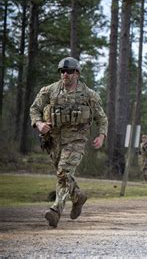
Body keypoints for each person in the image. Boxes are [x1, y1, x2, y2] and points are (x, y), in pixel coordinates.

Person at [30, 57, 108, 228]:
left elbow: (101, 118)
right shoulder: (49, 91)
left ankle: (56, 211)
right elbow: (34, 108)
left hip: (76, 139)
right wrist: (39, 123)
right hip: (53, 140)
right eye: (62, 71)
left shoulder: (89, 95)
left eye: (69, 71)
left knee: (63, 172)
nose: (65, 74)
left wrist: (101, 136)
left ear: (77, 73)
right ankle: (78, 196)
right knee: (62, 174)